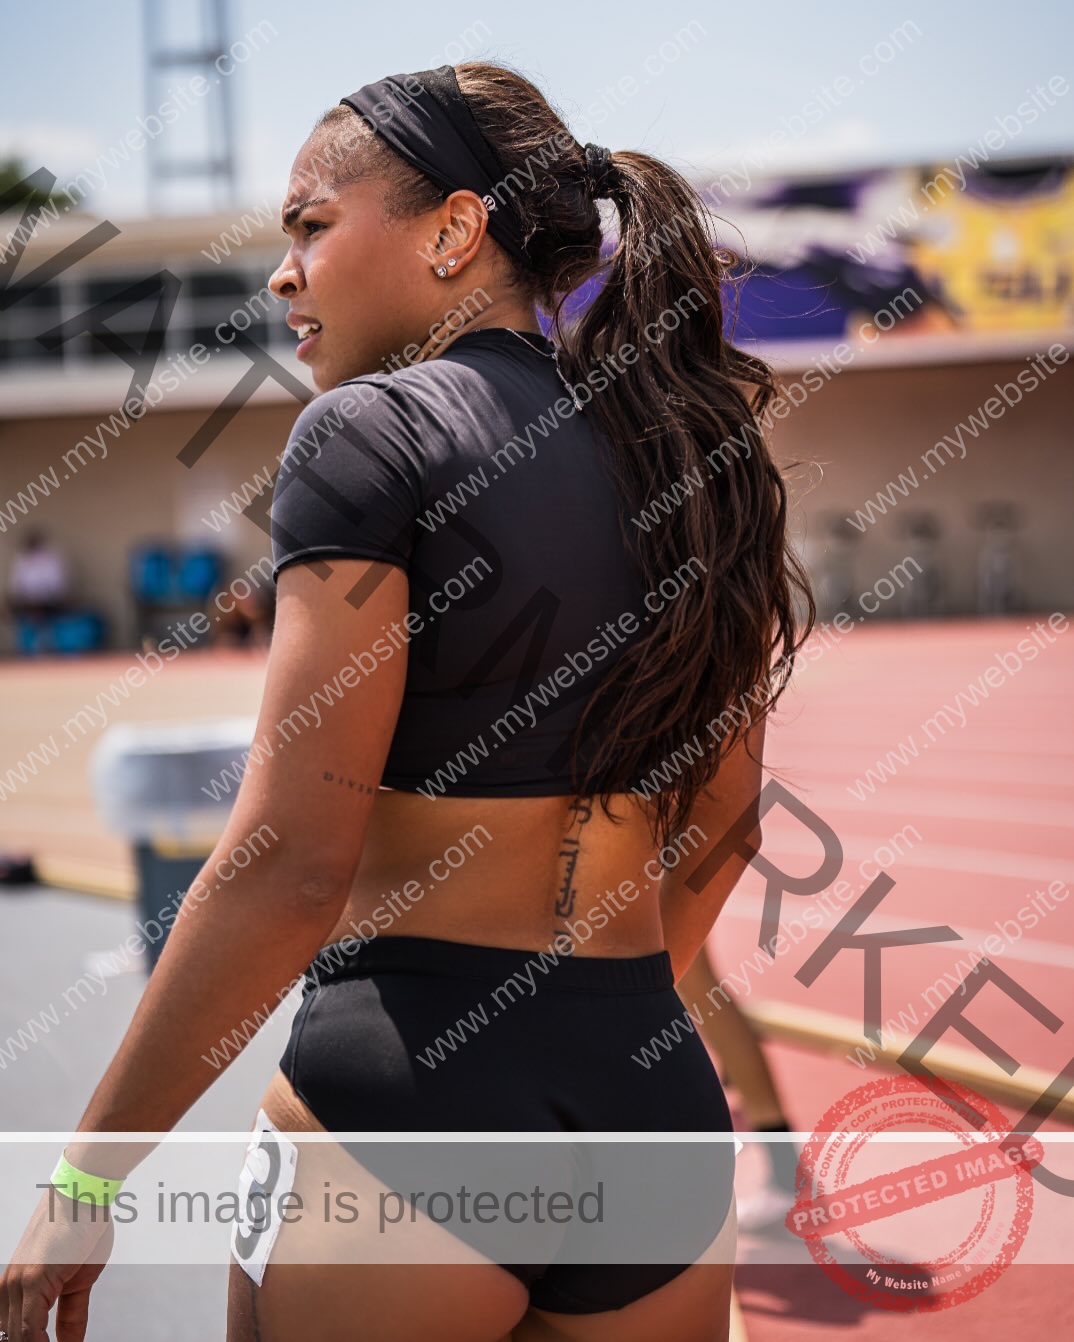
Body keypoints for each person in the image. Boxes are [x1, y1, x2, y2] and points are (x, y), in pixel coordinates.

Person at [0, 61, 813, 1342]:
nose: (283, 275)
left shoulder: (368, 436)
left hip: (412, 1086)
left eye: (311, 226)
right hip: (649, 1097)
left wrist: (88, 1175)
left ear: (452, 230)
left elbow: (285, 869)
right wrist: (590, 1018)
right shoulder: (696, 449)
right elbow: (727, 824)